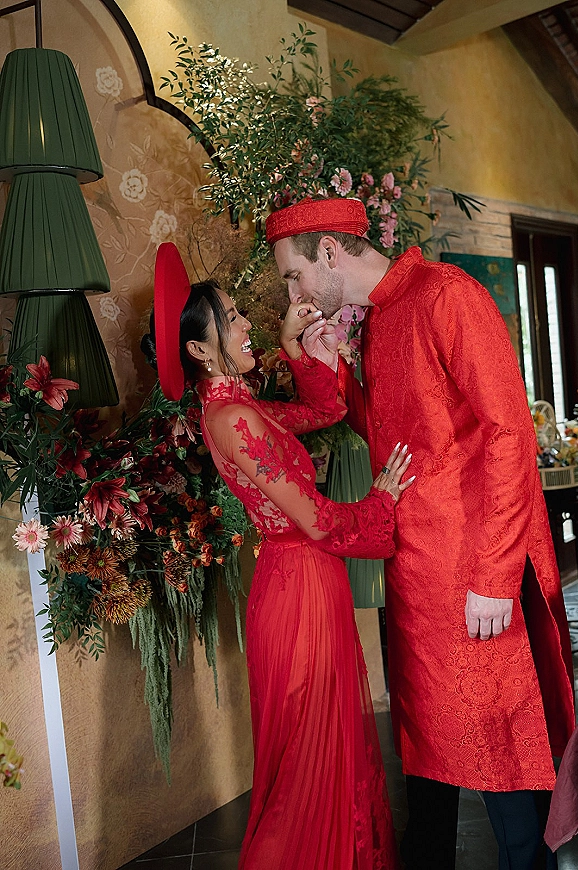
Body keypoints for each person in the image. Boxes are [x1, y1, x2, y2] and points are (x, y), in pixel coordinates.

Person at [265, 197, 576, 870]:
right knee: (429, 754)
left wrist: (495, 578)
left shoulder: (448, 295)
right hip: (416, 574)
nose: (292, 293)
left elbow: (508, 435)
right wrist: (327, 363)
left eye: (292, 276)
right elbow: (381, 434)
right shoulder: (377, 322)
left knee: (504, 763)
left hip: (472, 575)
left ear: (328, 251)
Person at [149, 241, 415, 870]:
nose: (247, 324)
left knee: (326, 759)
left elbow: (327, 409)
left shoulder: (238, 409)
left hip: (306, 584)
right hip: (297, 593)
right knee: (305, 771)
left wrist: (296, 350)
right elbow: (316, 518)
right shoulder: (233, 420)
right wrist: (380, 503)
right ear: (199, 349)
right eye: (233, 317)